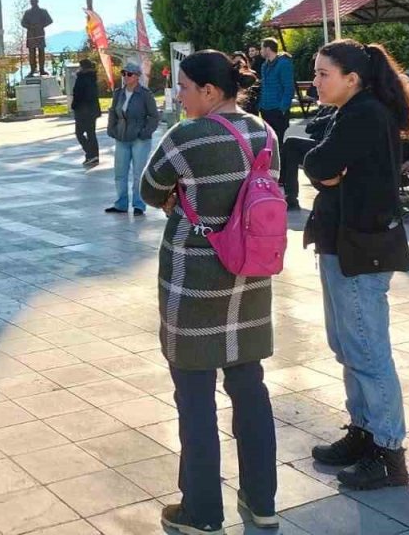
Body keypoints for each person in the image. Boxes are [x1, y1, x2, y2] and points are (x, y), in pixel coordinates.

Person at [139, 51, 278, 535]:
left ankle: (201, 512)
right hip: (250, 277)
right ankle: (262, 502)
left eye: (184, 86)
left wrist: (183, 196)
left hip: (193, 280)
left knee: (194, 397)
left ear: (210, 92)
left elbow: (150, 190)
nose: (179, 95)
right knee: (250, 389)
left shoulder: (186, 136)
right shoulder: (265, 132)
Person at [302, 40, 409, 490]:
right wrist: (327, 171)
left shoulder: (365, 113)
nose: (315, 81)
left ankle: (389, 452)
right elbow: (314, 160)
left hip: (360, 247)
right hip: (340, 242)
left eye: (323, 73)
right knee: (348, 346)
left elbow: (318, 161)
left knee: (368, 351)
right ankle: (364, 432)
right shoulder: (346, 112)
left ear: (352, 78)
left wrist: (328, 170)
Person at [105, 62, 159, 216]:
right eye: (124, 74)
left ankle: (138, 204)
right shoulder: (118, 93)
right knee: (120, 173)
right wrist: (112, 129)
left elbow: (154, 116)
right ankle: (121, 203)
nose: (125, 77)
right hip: (121, 137)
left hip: (139, 139)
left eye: (129, 74)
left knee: (138, 173)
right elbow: (113, 112)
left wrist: (145, 132)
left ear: (137, 77)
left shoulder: (145, 95)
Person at [280, 104, 336, 210]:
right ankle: (291, 197)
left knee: (291, 142)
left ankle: (280, 178)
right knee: (292, 153)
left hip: (326, 147)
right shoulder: (327, 109)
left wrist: (320, 121)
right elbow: (309, 128)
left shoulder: (341, 109)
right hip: (316, 145)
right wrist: (326, 119)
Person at [257, 39, 294, 146]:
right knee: (269, 141)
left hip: (278, 109)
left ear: (268, 49)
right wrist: (260, 105)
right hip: (265, 108)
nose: (261, 51)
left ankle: (281, 162)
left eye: (262, 48)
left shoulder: (284, 64)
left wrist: (283, 107)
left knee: (279, 142)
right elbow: (265, 86)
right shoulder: (264, 65)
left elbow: (289, 87)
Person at [70, 58, 102, 169]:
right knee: (91, 133)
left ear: (82, 67)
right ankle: (94, 155)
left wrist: (74, 105)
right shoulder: (92, 77)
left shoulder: (82, 78)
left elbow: (78, 94)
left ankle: (91, 154)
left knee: (79, 133)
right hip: (92, 110)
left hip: (83, 111)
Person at [20, 0, 53, 76]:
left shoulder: (43, 11)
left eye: (34, 1)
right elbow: (23, 23)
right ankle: (33, 69)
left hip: (40, 33)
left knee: (41, 51)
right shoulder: (27, 12)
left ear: (37, 1)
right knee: (32, 52)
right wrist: (29, 26)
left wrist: (41, 25)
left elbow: (50, 20)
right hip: (31, 34)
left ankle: (42, 69)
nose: (32, 2)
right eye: (31, 1)